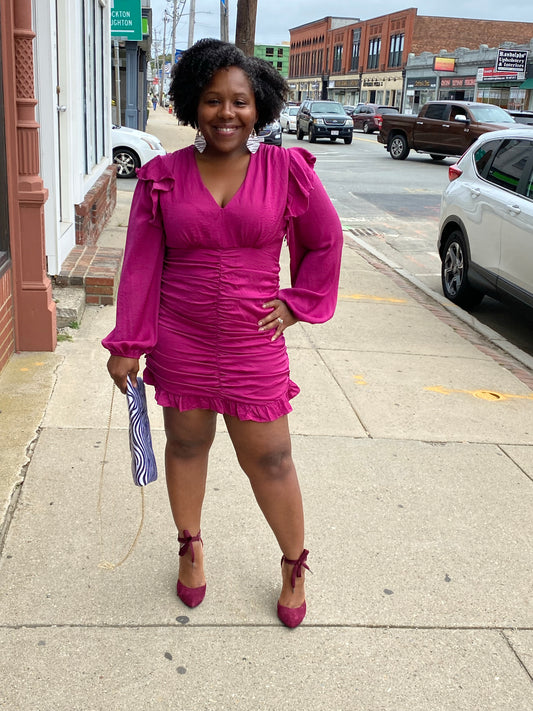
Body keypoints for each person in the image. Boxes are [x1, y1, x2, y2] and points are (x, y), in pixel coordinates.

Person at [103, 38, 343, 628]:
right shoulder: (162, 177)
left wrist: (297, 304)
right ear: (193, 104)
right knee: (186, 446)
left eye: (239, 101)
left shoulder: (285, 171)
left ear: (259, 106)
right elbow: (140, 266)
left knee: (273, 458)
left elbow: (325, 242)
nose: (226, 113)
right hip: (179, 337)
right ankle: (190, 548)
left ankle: (294, 564)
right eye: (212, 100)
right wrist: (129, 344)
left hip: (252, 342)